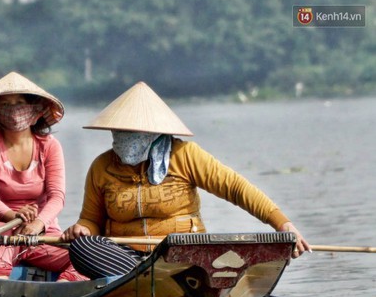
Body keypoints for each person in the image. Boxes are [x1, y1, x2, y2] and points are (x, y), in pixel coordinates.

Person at [61, 81, 311, 279]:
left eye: (133, 133)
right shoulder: (102, 166)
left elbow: (235, 187)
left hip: (181, 255)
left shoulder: (184, 155)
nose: (124, 139)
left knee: (203, 257)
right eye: (120, 132)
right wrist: (82, 229)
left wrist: (282, 224)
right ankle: (141, 280)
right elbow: (91, 220)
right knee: (83, 248)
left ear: (153, 133)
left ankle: (156, 280)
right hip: (127, 259)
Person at [0, 71, 87, 281]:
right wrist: (16, 218)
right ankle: (0, 294)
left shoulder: (49, 146)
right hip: (2, 228)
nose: (14, 110)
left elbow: (57, 197)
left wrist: (37, 224)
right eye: (6, 104)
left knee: (86, 258)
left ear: (34, 110)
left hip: (41, 231)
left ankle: (61, 293)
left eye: (19, 102)